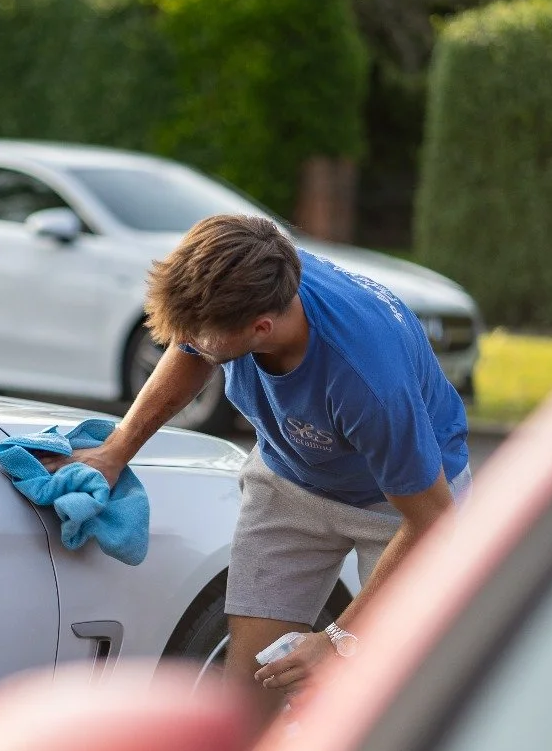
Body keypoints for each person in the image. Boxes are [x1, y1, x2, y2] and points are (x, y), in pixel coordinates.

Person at [48, 214, 470, 720]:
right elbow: (190, 350)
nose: (187, 344)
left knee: (397, 696)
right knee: (251, 685)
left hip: (401, 506)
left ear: (261, 328)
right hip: (289, 477)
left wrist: (340, 638)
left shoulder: (368, 381)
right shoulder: (241, 281)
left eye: (200, 338)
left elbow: (432, 520)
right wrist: (116, 450)